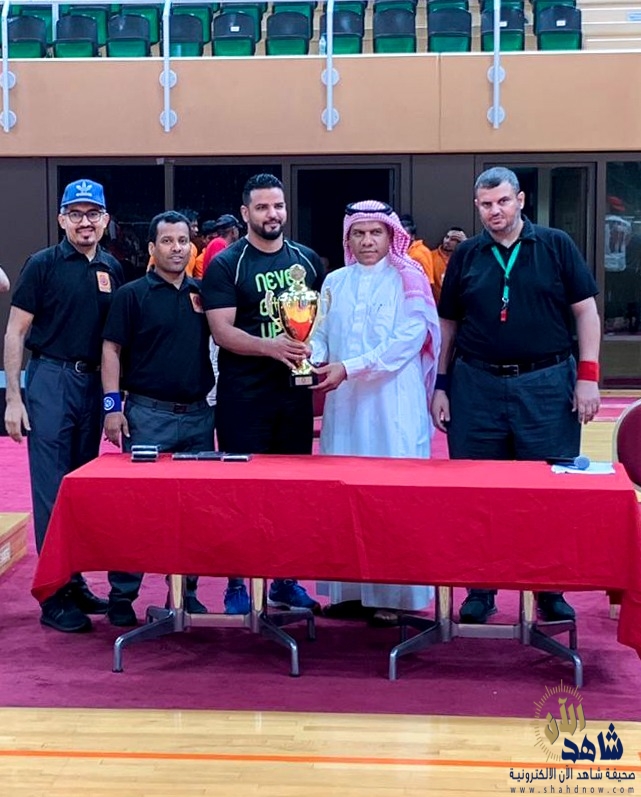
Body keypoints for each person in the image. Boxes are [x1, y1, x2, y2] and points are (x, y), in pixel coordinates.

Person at [431, 167, 601, 625]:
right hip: (476, 386)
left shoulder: (555, 245)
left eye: (503, 201)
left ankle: (549, 589)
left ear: (521, 200)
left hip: (546, 384)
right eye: (486, 204)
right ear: (477, 206)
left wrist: (588, 376)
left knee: (547, 492)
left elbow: (586, 312)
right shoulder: (467, 255)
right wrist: (441, 385)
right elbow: (448, 326)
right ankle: (480, 589)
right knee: (477, 492)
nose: (495, 211)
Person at [311, 200, 441, 625]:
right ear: (347, 239)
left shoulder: (409, 278)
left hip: (392, 406)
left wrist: (349, 367)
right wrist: (308, 355)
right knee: (344, 495)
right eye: (358, 234)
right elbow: (320, 333)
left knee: (392, 499)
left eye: (375, 233)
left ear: (391, 236)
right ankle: (349, 592)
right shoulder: (334, 281)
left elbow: (408, 340)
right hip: (345, 405)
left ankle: (395, 596)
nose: (367, 241)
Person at [201, 173, 325, 615]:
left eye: (278, 206)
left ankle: (285, 580)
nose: (272, 215)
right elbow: (222, 331)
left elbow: (318, 324)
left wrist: (312, 351)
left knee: (290, 491)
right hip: (244, 396)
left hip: (293, 395)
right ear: (245, 213)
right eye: (262, 207)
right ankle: (238, 582)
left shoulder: (307, 260)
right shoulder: (226, 264)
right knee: (241, 491)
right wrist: (271, 347)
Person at [3, 178, 124, 633]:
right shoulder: (42, 265)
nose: (84, 222)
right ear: (61, 220)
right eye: (76, 214)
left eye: (93, 214)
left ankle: (72, 580)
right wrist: (13, 397)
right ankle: (52, 594)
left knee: (78, 489)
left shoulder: (112, 267)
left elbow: (115, 343)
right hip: (51, 379)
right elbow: (15, 332)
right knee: (51, 490)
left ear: (105, 220)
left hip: (91, 384)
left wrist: (114, 398)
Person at [101, 211, 215, 627]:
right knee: (137, 511)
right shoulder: (131, 295)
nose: (176, 248)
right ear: (152, 248)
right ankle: (121, 595)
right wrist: (112, 408)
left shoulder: (203, 295)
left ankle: (185, 594)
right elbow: (111, 350)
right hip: (148, 416)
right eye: (167, 241)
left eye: (183, 241)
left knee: (195, 513)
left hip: (199, 418)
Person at [430, 226, 467, 304]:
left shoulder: (464, 258)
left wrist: (466, 243)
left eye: (453, 239)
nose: (447, 241)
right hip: (436, 305)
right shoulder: (431, 256)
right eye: (447, 237)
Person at [398, 214, 436, 291]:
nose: (400, 238)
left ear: (412, 236)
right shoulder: (397, 251)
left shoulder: (420, 253)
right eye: (398, 235)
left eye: (404, 235)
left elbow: (428, 282)